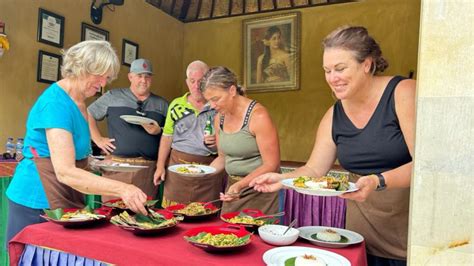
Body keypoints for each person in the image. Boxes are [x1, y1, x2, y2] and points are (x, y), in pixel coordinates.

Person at [251, 26, 416, 266]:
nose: (332, 78)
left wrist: (377, 181)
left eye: (340, 68)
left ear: (367, 64)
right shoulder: (334, 114)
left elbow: (426, 165)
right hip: (360, 236)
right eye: (327, 71)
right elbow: (314, 170)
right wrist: (282, 181)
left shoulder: (403, 92)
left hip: (408, 233)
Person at [5, 40, 149, 244]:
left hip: (64, 196)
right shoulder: (55, 103)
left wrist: (96, 163)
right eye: (100, 75)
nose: (103, 83)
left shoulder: (80, 103)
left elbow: (76, 153)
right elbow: (65, 171)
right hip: (36, 199)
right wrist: (123, 189)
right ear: (82, 68)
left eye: (107, 77)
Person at [200, 66, 281, 214]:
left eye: (215, 99)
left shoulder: (258, 116)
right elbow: (222, 157)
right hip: (232, 190)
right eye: (208, 101)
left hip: (260, 190)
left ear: (232, 91)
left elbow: (272, 164)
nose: (212, 106)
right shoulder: (219, 118)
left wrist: (240, 185)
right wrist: (201, 173)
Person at [88, 58, 168, 201]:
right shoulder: (113, 96)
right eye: (139, 76)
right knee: (113, 212)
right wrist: (97, 139)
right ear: (130, 77)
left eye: (147, 76)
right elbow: (88, 113)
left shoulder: (162, 104)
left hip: (147, 170)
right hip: (116, 166)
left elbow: (169, 134)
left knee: (143, 214)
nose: (143, 80)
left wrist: (159, 130)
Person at [154, 60, 225, 207]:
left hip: (210, 168)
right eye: (192, 81)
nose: (196, 86)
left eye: (201, 81)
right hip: (178, 168)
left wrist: (219, 141)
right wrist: (160, 166)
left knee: (205, 215)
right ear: (187, 82)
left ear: (208, 80)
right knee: (174, 214)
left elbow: (231, 139)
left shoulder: (218, 105)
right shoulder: (176, 105)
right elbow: (167, 137)